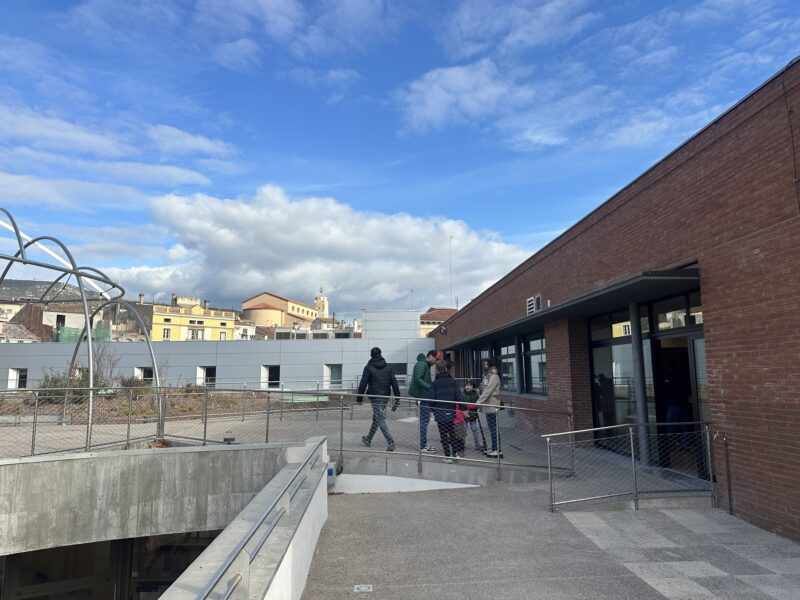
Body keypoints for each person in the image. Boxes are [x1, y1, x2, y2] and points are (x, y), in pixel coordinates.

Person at [357, 347, 400, 451]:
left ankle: (390, 442)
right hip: (385, 396)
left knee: (379, 418)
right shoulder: (388, 367)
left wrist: (359, 399)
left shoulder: (368, 367)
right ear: (381, 354)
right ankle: (368, 439)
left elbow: (363, 383)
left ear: (371, 355)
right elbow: (394, 382)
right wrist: (397, 397)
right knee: (377, 418)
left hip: (375, 397)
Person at [427, 360, 464, 463]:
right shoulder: (453, 382)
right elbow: (459, 396)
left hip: (440, 413)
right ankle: (455, 454)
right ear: (446, 369)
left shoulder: (435, 383)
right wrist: (463, 408)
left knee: (443, 434)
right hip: (451, 412)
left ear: (437, 370)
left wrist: (432, 409)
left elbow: (431, 399)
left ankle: (447, 456)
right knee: (452, 433)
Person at [408, 350, 437, 453]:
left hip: (423, 396)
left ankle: (423, 444)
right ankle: (423, 445)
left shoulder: (424, 364)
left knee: (425, 420)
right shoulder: (421, 364)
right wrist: (430, 387)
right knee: (424, 421)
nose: (436, 362)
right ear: (430, 357)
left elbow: (419, 378)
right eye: (436, 359)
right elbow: (417, 379)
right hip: (422, 396)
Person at [476, 358, 502, 458]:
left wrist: (478, 402)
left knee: (494, 428)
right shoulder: (488, 376)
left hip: (492, 406)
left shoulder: (494, 376)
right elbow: (483, 389)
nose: (485, 366)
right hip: (488, 406)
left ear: (491, 365)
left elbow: (488, 390)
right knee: (492, 428)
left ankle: (497, 450)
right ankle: (494, 448)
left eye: (486, 365)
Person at [464, 380, 484, 451]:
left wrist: (471, 406)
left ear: (473, 387)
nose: (467, 387)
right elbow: (461, 404)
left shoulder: (476, 394)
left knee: (474, 429)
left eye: (469, 385)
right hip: (464, 415)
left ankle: (477, 443)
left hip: (473, 415)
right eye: (467, 385)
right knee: (464, 430)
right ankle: (462, 444)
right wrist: (467, 407)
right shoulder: (463, 394)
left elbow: (478, 404)